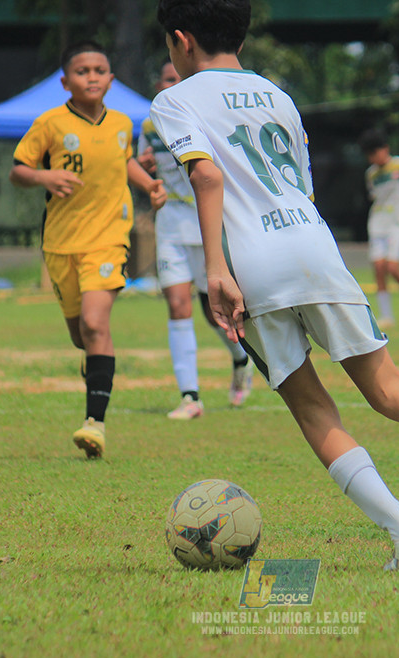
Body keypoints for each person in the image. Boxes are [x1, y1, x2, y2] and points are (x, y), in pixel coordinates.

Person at [150, 0, 399, 570]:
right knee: (387, 385)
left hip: (254, 262)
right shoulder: (278, 95)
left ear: (181, 40)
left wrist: (216, 269)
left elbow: (207, 174)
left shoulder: (174, 98)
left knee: (315, 410)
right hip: (314, 244)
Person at [9, 40, 167, 459]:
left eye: (99, 70)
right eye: (82, 71)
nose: (92, 77)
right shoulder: (51, 123)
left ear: (111, 79)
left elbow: (124, 159)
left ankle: (94, 423)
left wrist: (147, 183)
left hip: (109, 238)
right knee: (82, 336)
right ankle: (96, 369)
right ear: (65, 82)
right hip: (61, 244)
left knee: (97, 325)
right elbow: (19, 170)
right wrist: (45, 179)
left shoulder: (121, 122)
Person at [138, 61, 255, 420]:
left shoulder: (206, 117)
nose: (174, 84)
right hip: (171, 222)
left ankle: (241, 358)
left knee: (211, 311)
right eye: (168, 79)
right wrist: (146, 174)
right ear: (159, 83)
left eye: (179, 79)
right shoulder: (150, 124)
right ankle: (190, 397)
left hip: (207, 224)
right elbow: (136, 162)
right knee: (178, 305)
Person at [359, 128, 399, 327]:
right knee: (379, 268)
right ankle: (387, 315)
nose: (373, 158)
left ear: (385, 148)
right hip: (377, 224)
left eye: (375, 152)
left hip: (398, 224)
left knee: (393, 267)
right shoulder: (371, 174)